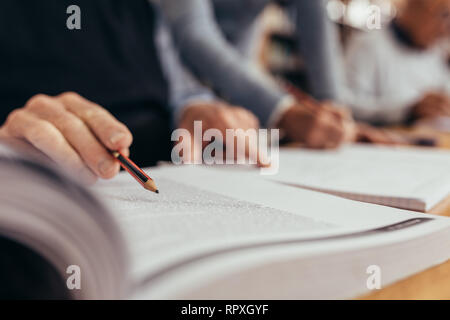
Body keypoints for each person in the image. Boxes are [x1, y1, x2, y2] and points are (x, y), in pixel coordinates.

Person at [0, 0, 263, 184]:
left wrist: (194, 108)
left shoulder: (149, 7)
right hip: (45, 187)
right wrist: (6, 146)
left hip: (170, 174)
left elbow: (179, 91)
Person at [159, 0, 356, 149]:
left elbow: (314, 11)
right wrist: (283, 111)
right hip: (169, 77)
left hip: (239, 86)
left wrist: (333, 110)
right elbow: (194, 34)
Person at [345, 0, 450, 125]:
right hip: (381, 140)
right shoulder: (368, 45)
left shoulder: (436, 54)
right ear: (416, 8)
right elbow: (347, 106)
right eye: (444, 15)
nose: (445, 29)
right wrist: (409, 111)